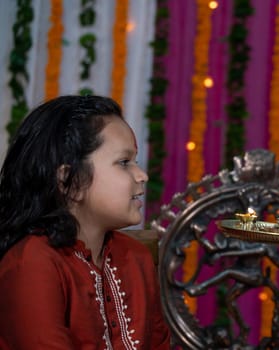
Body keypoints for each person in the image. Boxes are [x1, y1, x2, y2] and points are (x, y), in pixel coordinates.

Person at [0, 95, 171, 349]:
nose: (142, 175)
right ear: (71, 181)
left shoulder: (137, 258)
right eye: (124, 162)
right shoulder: (32, 262)